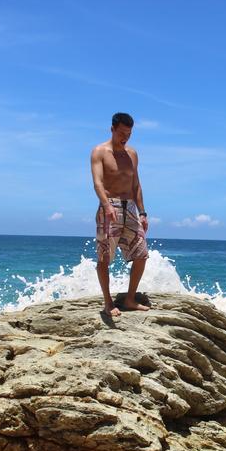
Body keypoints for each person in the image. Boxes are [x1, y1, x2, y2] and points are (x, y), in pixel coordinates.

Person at [90, 112, 150, 318]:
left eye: (129, 134)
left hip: (131, 208)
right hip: (109, 207)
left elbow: (136, 184)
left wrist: (142, 212)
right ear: (112, 129)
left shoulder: (132, 154)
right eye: (122, 133)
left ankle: (130, 299)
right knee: (104, 257)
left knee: (141, 254)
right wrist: (106, 206)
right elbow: (97, 183)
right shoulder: (99, 152)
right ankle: (108, 303)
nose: (125, 137)